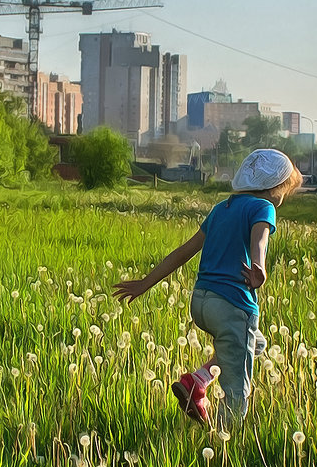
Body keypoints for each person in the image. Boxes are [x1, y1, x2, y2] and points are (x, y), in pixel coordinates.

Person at [112, 149, 303, 426]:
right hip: (233, 304)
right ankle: (226, 444)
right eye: (285, 190)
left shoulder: (219, 210)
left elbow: (182, 252)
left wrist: (145, 284)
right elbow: (259, 239)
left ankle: (198, 380)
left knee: (256, 343)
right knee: (237, 387)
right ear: (273, 187)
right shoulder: (264, 207)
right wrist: (259, 267)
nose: (283, 198)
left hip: (201, 302)